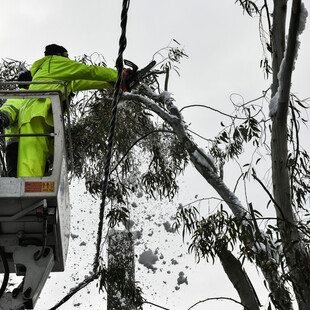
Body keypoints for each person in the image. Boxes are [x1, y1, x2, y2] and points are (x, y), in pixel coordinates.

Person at [17, 44, 120, 177]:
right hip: (34, 113)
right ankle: (27, 191)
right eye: (66, 55)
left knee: (41, 157)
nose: (68, 58)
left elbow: (85, 81)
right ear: (58, 55)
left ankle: (35, 188)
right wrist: (118, 75)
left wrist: (113, 83)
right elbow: (89, 71)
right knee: (31, 159)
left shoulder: (60, 76)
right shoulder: (54, 62)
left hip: (44, 116)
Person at [0, 71, 32, 177]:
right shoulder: (22, 97)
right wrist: (3, 118)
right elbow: (9, 109)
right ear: (29, 84)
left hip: (19, 148)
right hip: (19, 149)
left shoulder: (31, 98)